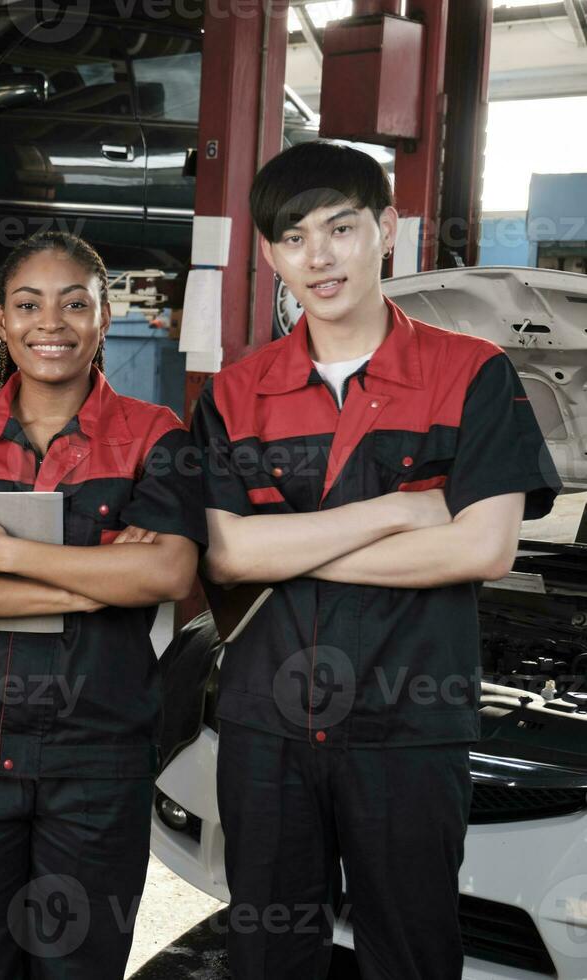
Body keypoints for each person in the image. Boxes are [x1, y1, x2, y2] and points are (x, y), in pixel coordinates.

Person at [190, 140, 561, 979]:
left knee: (413, 953)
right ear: (270, 254)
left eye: (341, 228)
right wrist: (399, 511)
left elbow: (484, 546)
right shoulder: (234, 394)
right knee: (268, 956)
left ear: (388, 229)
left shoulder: (472, 375)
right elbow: (224, 550)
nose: (318, 257)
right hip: (267, 729)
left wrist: (281, 551)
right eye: (292, 238)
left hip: (409, 724)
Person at [0, 230, 205, 978]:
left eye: (73, 303)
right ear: (0, 320)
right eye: (28, 304)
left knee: (78, 964)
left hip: (97, 753)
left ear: (105, 315)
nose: (49, 323)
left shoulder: (156, 436)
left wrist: (5, 555)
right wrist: (88, 583)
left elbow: (170, 573)